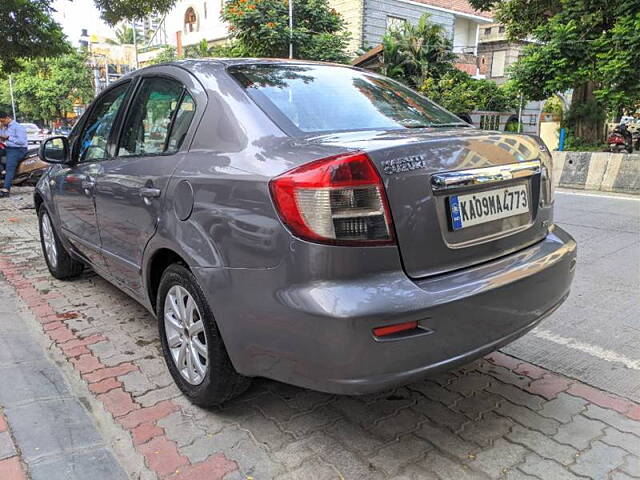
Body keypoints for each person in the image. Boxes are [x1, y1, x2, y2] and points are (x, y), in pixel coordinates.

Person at [0, 112, 28, 197]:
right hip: (8, 148)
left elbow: (22, 142)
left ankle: (6, 190)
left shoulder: (18, 127)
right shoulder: (4, 127)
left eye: (2, 121)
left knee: (10, 167)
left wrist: (8, 138)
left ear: (8, 118)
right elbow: (2, 137)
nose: (2, 123)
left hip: (18, 149)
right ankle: (2, 170)